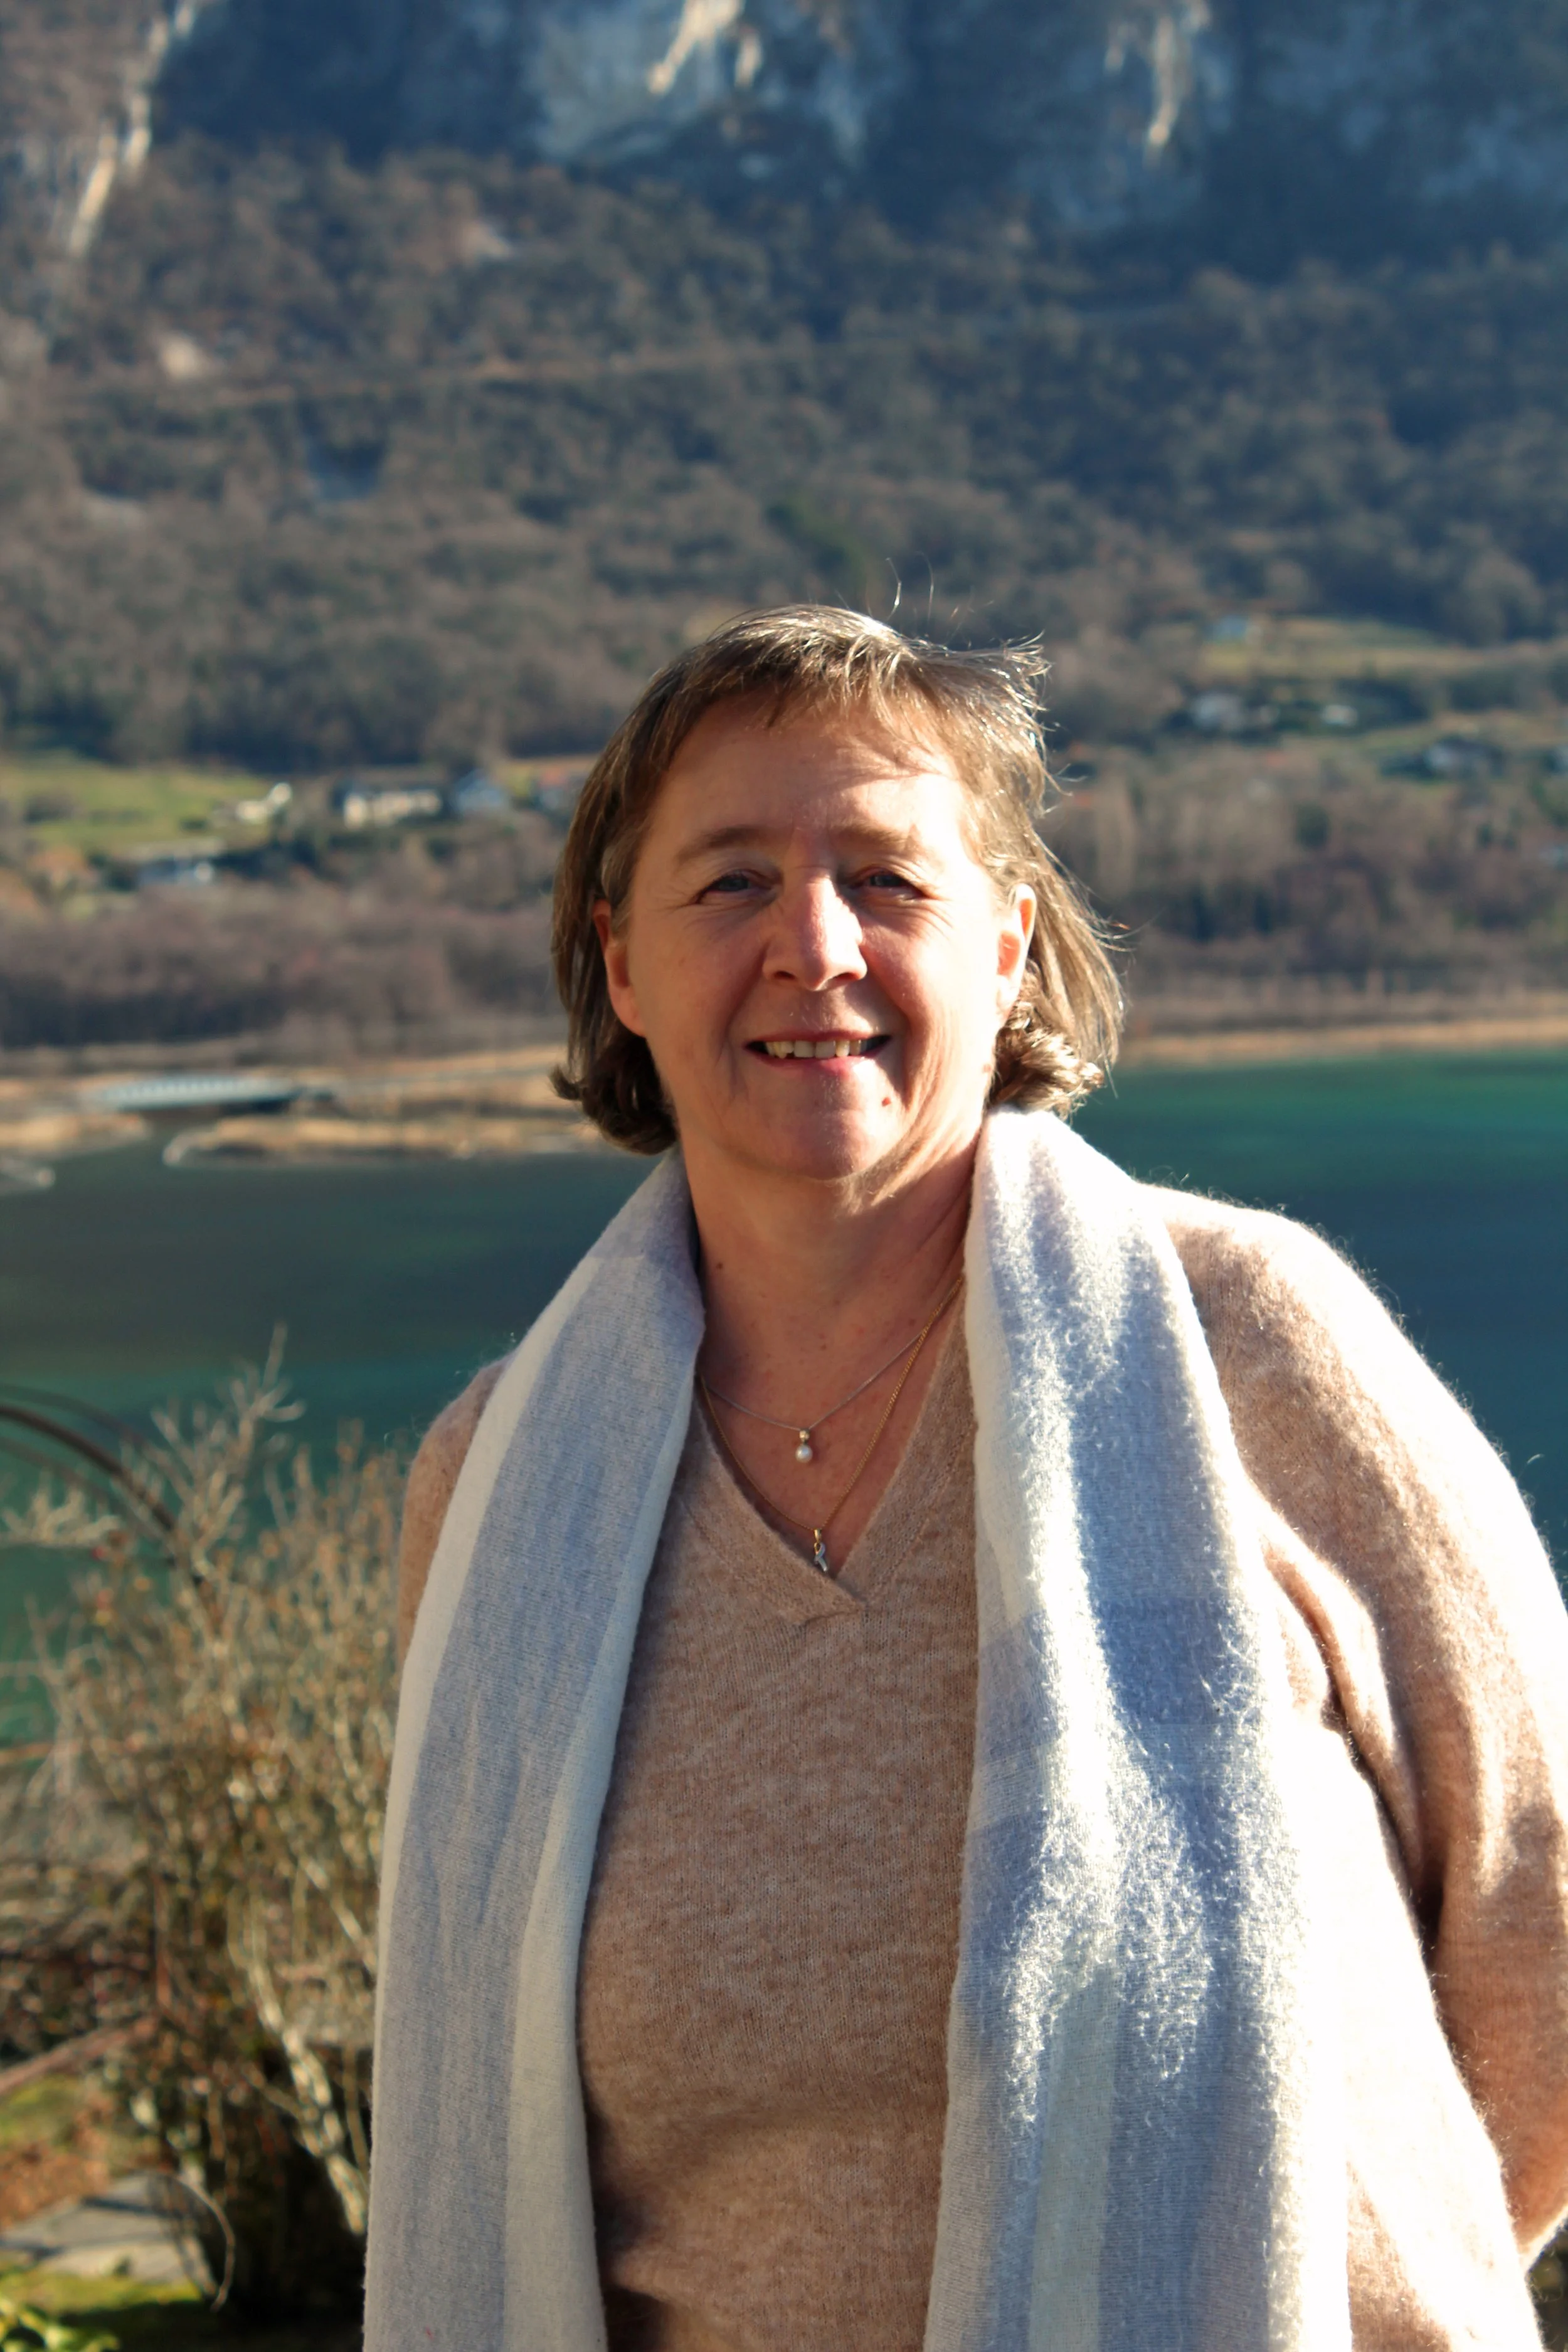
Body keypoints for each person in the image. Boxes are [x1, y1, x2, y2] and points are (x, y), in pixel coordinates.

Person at [365, 607, 1568, 2352]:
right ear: (619, 966)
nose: (813, 944)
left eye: (885, 877)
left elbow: (1543, 1899)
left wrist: (1363, 2284)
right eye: (728, 884)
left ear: (1007, 946)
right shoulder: (491, 1487)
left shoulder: (1244, 1344)